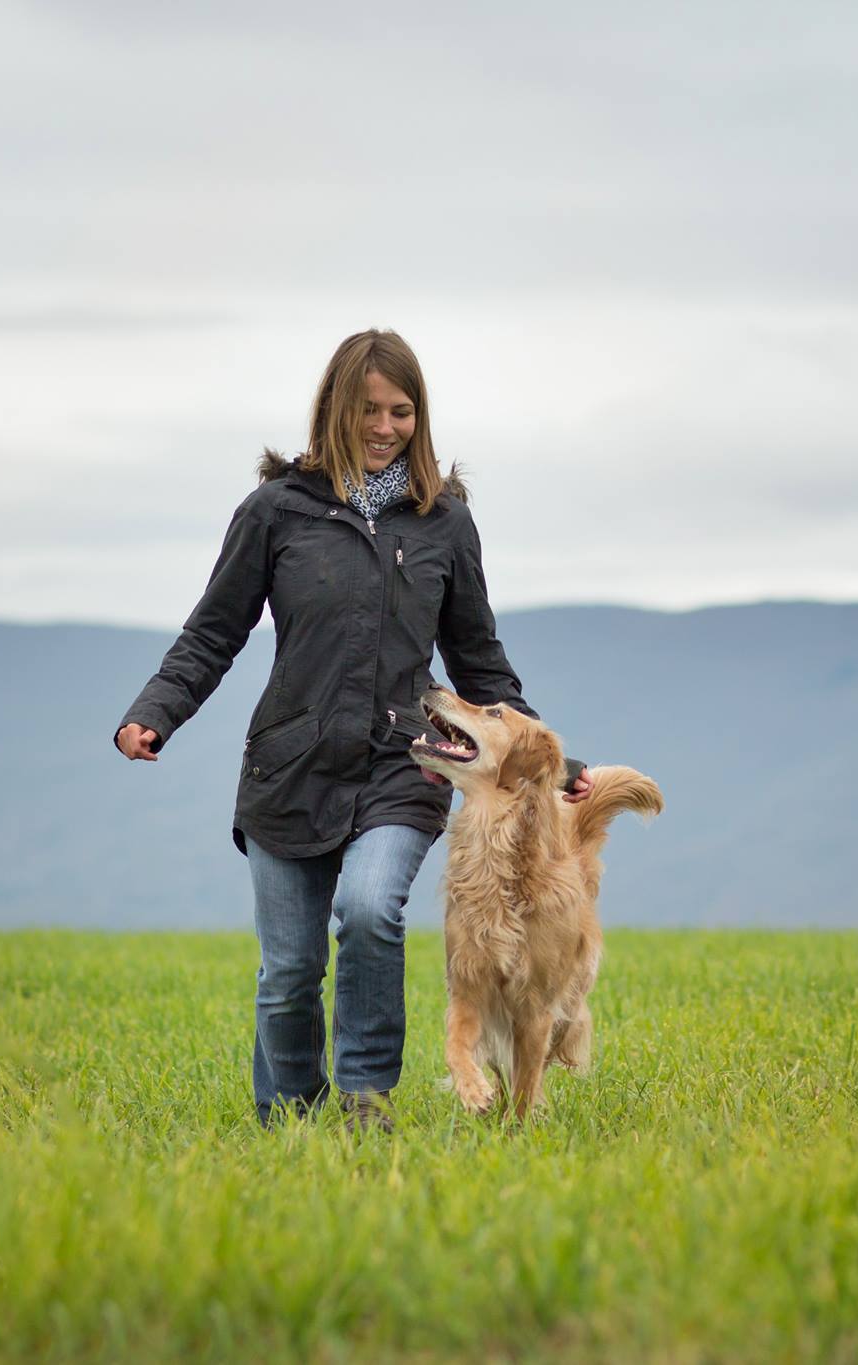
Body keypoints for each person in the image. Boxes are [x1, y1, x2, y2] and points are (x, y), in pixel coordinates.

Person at [113, 329, 589, 1133]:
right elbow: (213, 630)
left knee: (371, 909)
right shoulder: (276, 512)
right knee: (291, 970)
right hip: (288, 767)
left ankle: (366, 1100)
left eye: (402, 411)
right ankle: (289, 1119)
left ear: (420, 417)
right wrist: (153, 711)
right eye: (368, 408)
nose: (384, 425)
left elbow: (480, 662)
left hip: (404, 763)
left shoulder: (444, 522)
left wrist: (555, 761)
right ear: (336, 407)